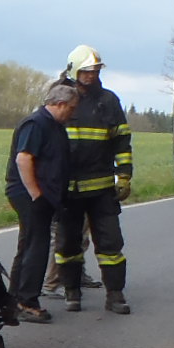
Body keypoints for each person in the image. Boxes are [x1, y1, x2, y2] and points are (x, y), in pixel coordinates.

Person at [52, 45, 133, 315]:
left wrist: (124, 176)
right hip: (68, 190)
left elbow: (122, 141)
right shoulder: (60, 97)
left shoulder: (108, 101)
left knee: (111, 244)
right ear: (75, 70)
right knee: (67, 245)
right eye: (87, 70)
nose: (92, 75)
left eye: (96, 70)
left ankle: (115, 295)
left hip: (101, 189)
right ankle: (71, 292)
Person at [5, 84, 77, 323]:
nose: (72, 114)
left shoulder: (54, 126)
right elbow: (23, 158)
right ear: (60, 104)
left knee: (28, 246)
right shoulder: (36, 123)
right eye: (71, 108)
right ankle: (27, 302)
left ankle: (13, 300)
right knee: (36, 247)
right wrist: (36, 194)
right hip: (29, 195)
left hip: (41, 195)